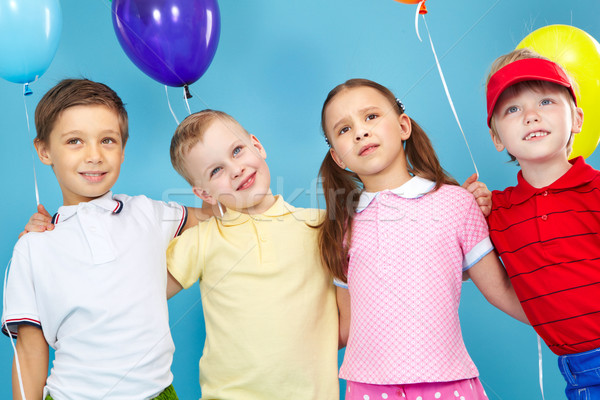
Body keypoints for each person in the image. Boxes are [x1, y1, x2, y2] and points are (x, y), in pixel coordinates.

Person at [317, 78, 528, 400]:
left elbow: (500, 290)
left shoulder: (456, 203)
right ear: (338, 158)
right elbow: (345, 325)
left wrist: (569, 323)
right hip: (367, 388)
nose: (360, 132)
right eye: (344, 129)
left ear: (403, 126)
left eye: (371, 116)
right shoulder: (342, 224)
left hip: (448, 383)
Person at [1, 79, 208, 400]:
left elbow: (218, 217)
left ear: (123, 150)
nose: (94, 155)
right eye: (74, 141)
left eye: (108, 140)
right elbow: (29, 352)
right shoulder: (33, 246)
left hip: (156, 393)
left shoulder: (148, 213)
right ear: (44, 151)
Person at [165, 109, 340, 399]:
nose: (236, 170)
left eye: (237, 151)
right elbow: (142, 296)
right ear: (205, 194)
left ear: (257, 146)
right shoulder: (201, 240)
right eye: (215, 171)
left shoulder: (321, 226)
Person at [485, 48, 600, 399]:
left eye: (546, 101)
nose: (531, 116)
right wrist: (460, 206)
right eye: (513, 108)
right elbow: (455, 268)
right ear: (497, 138)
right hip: (578, 372)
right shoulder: (495, 211)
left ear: (577, 119)